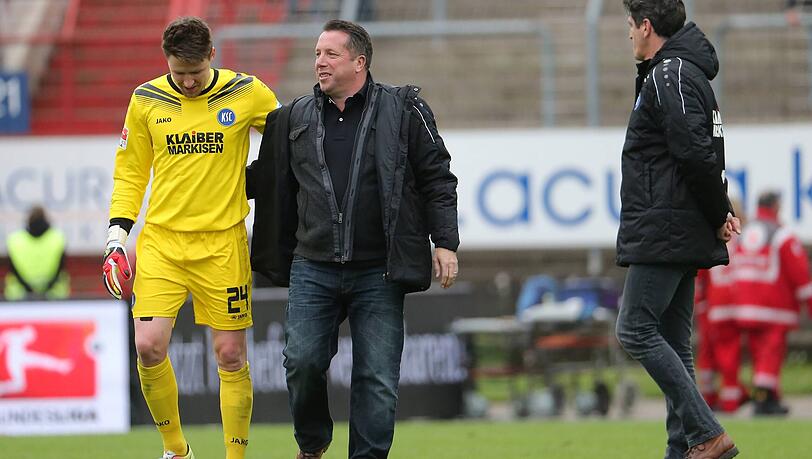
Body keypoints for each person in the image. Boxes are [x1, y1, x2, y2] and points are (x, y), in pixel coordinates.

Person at [246, 19, 459, 459]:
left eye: (331, 54)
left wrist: (445, 242)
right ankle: (312, 443)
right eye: (316, 54)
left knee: (376, 379)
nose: (319, 62)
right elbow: (263, 178)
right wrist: (200, 179)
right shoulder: (292, 116)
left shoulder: (404, 109)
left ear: (359, 62)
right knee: (301, 362)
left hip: (379, 269)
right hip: (313, 265)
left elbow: (438, 178)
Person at [102, 16, 280, 459]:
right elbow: (130, 173)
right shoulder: (145, 99)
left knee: (230, 355)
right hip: (162, 243)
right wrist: (116, 238)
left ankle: (234, 456)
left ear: (212, 56)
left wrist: (260, 183)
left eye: (195, 72)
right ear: (166, 61)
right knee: (147, 346)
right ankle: (176, 451)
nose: (187, 83)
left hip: (223, 244)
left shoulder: (247, 92)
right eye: (178, 73)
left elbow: (291, 142)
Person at [615, 1, 740, 458]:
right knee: (672, 342)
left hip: (666, 226)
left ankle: (706, 433)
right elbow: (699, 151)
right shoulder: (681, 73)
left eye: (631, 25)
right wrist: (718, 210)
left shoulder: (670, 74)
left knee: (634, 329)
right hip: (678, 224)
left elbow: (694, 153)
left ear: (646, 26)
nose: (629, 34)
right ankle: (682, 449)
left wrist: (718, 211)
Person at [710, 191, 812, 416]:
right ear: (776, 207)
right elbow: (799, 273)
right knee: (770, 352)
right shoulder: (781, 234)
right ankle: (765, 399)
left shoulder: (745, 233)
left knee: (758, 353)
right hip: (773, 306)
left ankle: (766, 396)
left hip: (743, 305)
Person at [694, 202, 747, 413]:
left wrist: (700, 303)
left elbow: (701, 276)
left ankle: (711, 396)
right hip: (736, 304)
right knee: (729, 352)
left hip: (714, 305)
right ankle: (731, 396)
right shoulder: (743, 242)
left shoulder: (712, 239)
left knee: (709, 352)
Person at [4, 206, 70, 301]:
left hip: (18, 297)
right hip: (54, 296)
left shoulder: (15, 240)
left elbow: (13, 269)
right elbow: (61, 267)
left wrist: (30, 289)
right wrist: (46, 289)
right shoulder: (58, 238)